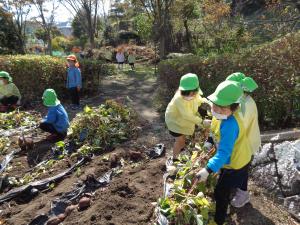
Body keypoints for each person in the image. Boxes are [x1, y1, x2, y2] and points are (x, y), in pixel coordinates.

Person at [195, 80, 252, 225]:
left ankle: (219, 219)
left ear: (234, 108)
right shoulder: (219, 116)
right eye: (215, 106)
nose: (217, 111)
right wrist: (209, 140)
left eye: (223, 108)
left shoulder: (231, 125)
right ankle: (242, 194)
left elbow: (225, 152)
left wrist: (208, 169)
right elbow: (215, 128)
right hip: (243, 155)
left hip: (235, 162)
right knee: (242, 177)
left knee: (220, 191)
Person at [226, 72, 261, 208]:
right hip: (243, 143)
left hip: (247, 144)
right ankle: (235, 187)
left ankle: (243, 194)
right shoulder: (242, 101)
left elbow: (238, 128)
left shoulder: (246, 106)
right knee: (237, 167)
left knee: (242, 169)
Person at [165, 73, 207, 161]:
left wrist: (206, 102)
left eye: (192, 94)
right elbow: (187, 115)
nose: (189, 96)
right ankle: (175, 159)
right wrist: (202, 122)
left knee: (183, 140)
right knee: (180, 141)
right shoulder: (178, 99)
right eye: (186, 94)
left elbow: (199, 100)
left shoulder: (195, 94)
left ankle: (181, 152)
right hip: (174, 122)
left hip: (183, 121)